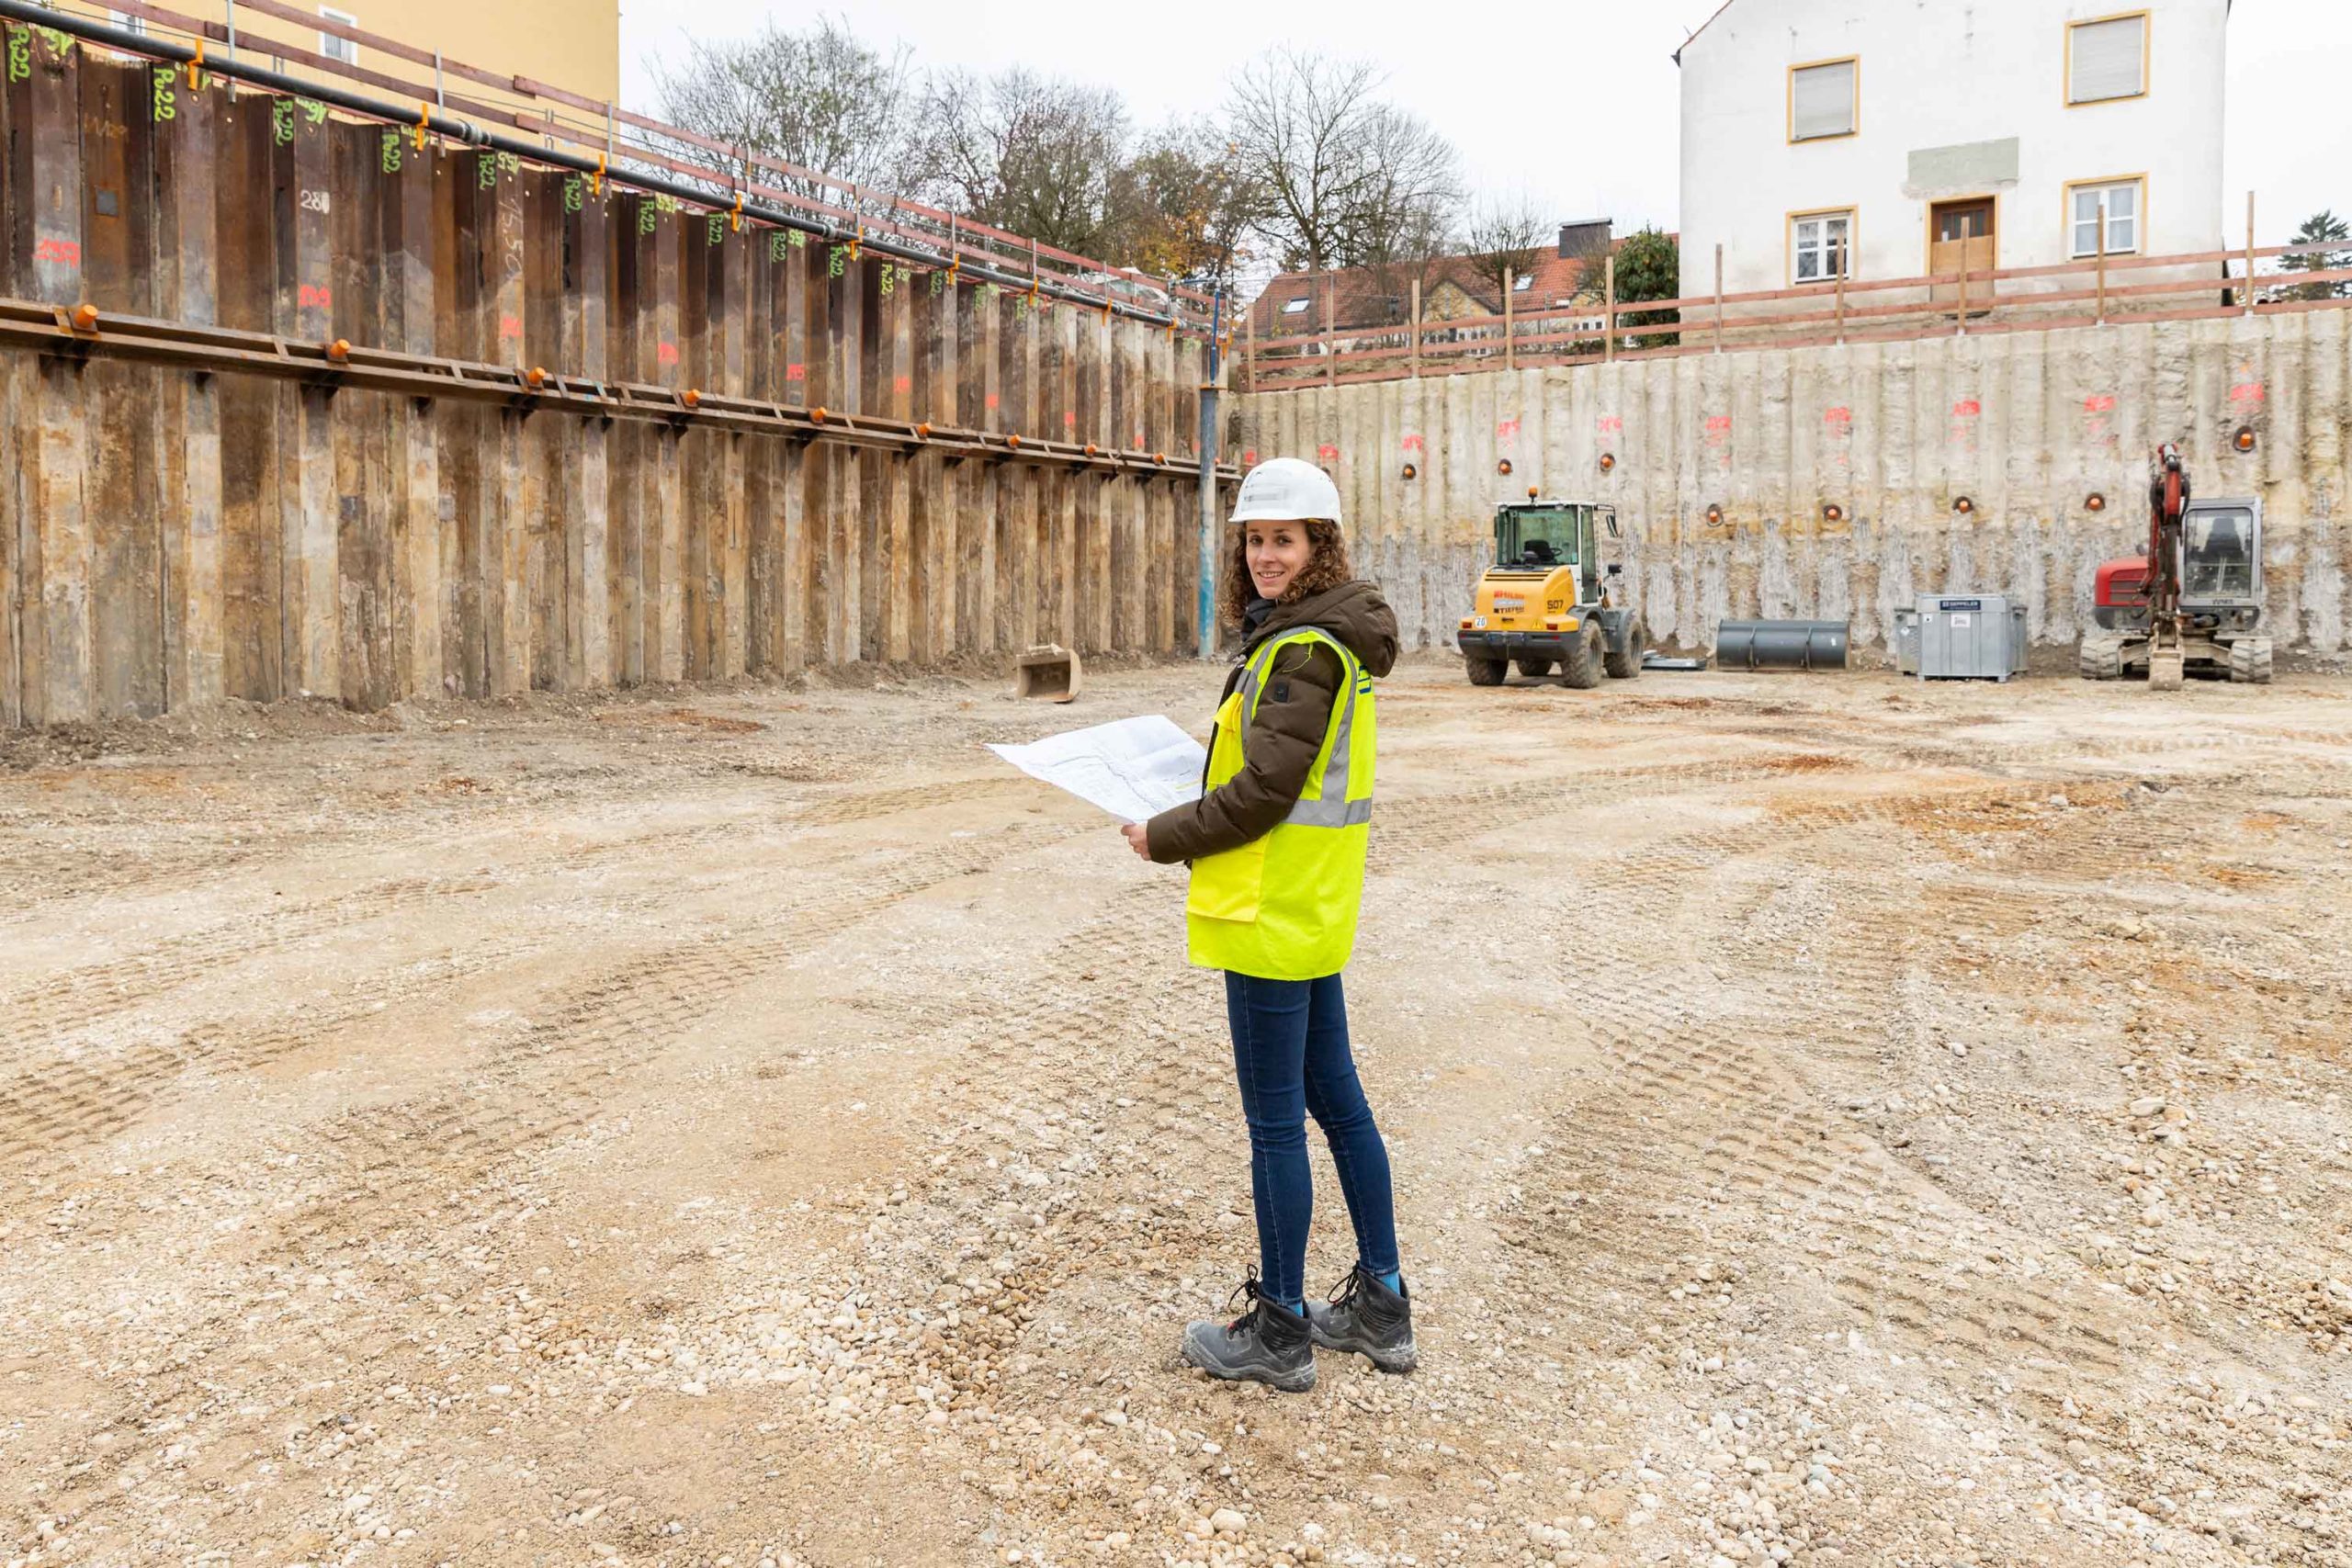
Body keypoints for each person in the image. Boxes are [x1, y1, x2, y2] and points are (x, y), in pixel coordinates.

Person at [1119, 457, 1415, 1393]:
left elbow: (1261, 795)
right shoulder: (1323, 639)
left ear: (1319, 546)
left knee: (1277, 1126)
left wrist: (1164, 834)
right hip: (1308, 913)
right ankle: (1382, 1304)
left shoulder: (1302, 651)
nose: (1264, 556)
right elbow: (1273, 774)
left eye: (1283, 539)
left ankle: (1280, 1329)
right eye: (1253, 540)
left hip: (1267, 915)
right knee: (1340, 1107)